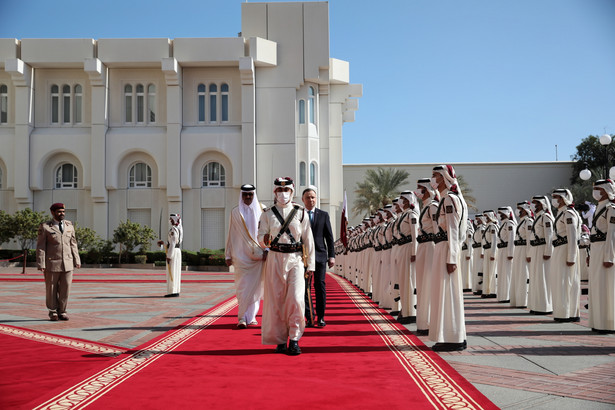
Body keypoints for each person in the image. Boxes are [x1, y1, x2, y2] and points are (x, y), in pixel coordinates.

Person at [258, 177, 315, 355]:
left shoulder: (300, 213)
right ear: (274, 193)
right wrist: (263, 241)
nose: (283, 194)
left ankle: (295, 339)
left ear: (292, 192)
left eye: (287, 191)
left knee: (296, 300)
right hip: (275, 258)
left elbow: (308, 239)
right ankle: (280, 340)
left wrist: (311, 265)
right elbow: (260, 236)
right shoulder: (267, 213)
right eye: (280, 191)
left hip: (295, 259)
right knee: (276, 301)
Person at [429, 165, 468, 352]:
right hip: (442, 247)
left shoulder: (450, 200)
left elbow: (453, 229)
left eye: (435, 176)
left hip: (446, 249)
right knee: (442, 293)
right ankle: (447, 336)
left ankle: (453, 338)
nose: (433, 179)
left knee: (448, 293)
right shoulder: (445, 199)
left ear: (444, 178)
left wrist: (452, 257)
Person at [225, 184, 266, 328]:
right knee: (242, 287)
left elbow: (267, 234)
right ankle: (242, 317)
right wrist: (227, 254)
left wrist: (267, 250)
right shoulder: (235, 212)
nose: (248, 197)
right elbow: (230, 234)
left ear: (254, 195)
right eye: (245, 194)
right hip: (240, 257)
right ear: (241, 195)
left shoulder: (262, 210)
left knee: (255, 288)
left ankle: (252, 317)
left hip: (258, 256)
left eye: (250, 194)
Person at [36, 203, 81, 321]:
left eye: (63, 211)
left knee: (65, 288)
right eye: (59, 212)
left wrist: (77, 259)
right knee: (51, 288)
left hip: (68, 263)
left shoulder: (69, 225)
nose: (62, 214)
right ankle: (52, 311)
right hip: (52, 263)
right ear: (53, 212)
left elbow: (73, 244)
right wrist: (41, 263)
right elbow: (41, 246)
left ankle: (62, 311)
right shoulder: (45, 226)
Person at [302, 186, 335, 328]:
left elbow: (329, 237)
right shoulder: (299, 215)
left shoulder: (324, 215)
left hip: (320, 256)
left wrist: (331, 256)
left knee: (319, 286)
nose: (311, 200)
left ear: (316, 199)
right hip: (304, 257)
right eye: (308, 197)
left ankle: (321, 317)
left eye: (313, 197)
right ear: (303, 200)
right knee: (305, 288)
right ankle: (310, 317)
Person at [587, 179, 615, 334]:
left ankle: (608, 323)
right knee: (597, 287)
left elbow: (612, 234)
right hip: (597, 251)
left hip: (605, 251)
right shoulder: (599, 207)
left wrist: (609, 257)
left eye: (598, 188)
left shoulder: (611, 209)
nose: (595, 191)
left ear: (606, 190)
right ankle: (598, 321)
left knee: (606, 287)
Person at [414, 178, 439, 336]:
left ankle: (429, 322)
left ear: (427, 190)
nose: (417, 192)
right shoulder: (425, 207)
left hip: (430, 246)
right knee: (422, 284)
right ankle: (422, 323)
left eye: (420, 189)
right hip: (422, 246)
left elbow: (437, 229)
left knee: (429, 284)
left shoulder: (433, 207)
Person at [528, 195, 554, 315]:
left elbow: (549, 236)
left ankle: (544, 306)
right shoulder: (538, 217)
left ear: (542, 204)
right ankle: (536, 305)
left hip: (542, 249)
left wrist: (548, 252)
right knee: (535, 278)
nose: (533, 205)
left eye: (535, 203)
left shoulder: (546, 217)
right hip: (535, 249)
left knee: (543, 278)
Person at [510, 201, 533, 308]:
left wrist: (529, 254)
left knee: (524, 275)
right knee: (518, 275)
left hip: (524, 250)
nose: (517, 210)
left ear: (525, 210)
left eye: (519, 208)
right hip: (518, 249)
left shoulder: (528, 222)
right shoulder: (521, 222)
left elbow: (529, 239)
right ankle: (518, 299)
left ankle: (524, 300)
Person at [158, 214, 183, 297]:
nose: (170, 221)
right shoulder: (179, 229)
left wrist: (169, 256)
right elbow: (174, 243)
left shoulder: (173, 230)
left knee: (171, 271)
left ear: (175, 220)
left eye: (171, 219)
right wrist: (163, 243)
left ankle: (172, 291)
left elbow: (172, 244)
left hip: (173, 252)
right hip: (178, 251)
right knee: (176, 272)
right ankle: (176, 290)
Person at [496, 206, 516, 303]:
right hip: (501, 250)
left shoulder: (510, 224)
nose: (499, 215)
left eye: (501, 213)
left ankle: (507, 295)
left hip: (506, 251)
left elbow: (511, 239)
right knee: (502, 273)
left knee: (507, 274)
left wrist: (510, 253)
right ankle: (502, 295)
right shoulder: (503, 224)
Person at [481, 210, 499, 299]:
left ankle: (492, 291)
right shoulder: (488, 226)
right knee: (487, 271)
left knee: (492, 271)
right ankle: (486, 291)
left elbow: (494, 241)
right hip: (486, 250)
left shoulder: (493, 227)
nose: (485, 218)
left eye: (486, 216)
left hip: (491, 251)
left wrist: (493, 253)